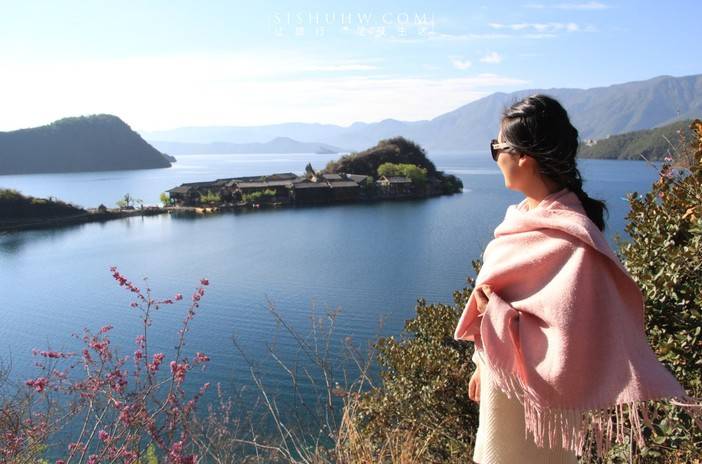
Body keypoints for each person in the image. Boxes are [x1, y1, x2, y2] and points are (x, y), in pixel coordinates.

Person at [453, 94, 694, 463]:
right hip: (503, 386)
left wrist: (494, 313)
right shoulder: (521, 218)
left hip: (541, 406)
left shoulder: (573, 238)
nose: (496, 157)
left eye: (496, 148)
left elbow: (568, 339)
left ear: (523, 158)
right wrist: (481, 363)